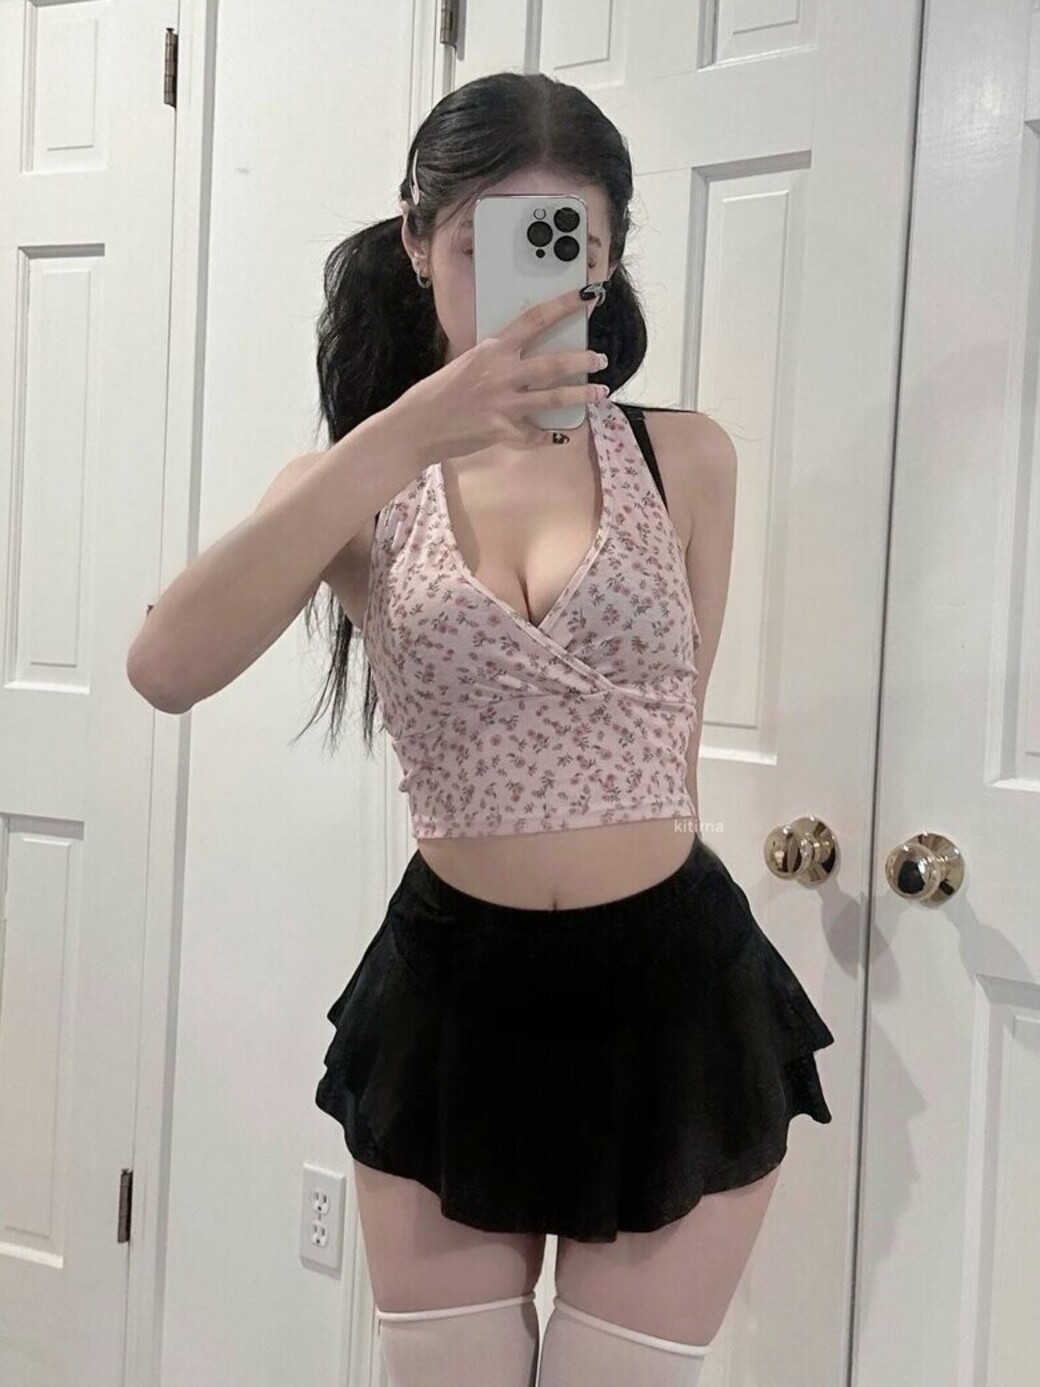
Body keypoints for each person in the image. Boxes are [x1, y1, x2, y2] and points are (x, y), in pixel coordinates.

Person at [128, 69, 834, 1387]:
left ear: (608, 255)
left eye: (567, 241)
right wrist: (398, 434)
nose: (526, 280)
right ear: (417, 244)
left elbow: (666, 742)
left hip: (673, 993)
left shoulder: (687, 458)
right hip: (454, 997)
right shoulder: (356, 484)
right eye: (477, 243)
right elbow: (165, 666)